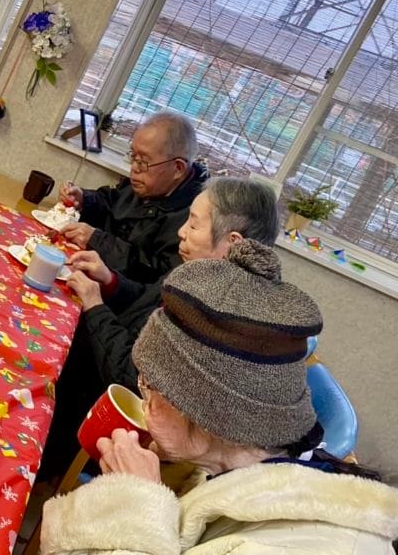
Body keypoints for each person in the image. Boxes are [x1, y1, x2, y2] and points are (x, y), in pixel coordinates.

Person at [41, 241, 398, 554]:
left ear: (205, 412)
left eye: (148, 384)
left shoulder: (303, 543)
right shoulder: (237, 473)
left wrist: (133, 506)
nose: (144, 400)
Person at [37, 177, 279, 481]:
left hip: (114, 425)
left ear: (232, 243)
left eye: (193, 225)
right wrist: (109, 280)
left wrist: (95, 305)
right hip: (106, 374)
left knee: (41, 360)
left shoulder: (214, 314)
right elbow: (146, 303)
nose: (181, 232)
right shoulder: (203, 273)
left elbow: (129, 376)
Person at [59, 111, 206, 284]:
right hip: (90, 272)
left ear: (178, 168)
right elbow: (112, 202)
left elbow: (156, 276)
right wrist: (84, 199)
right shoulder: (147, 184)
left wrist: (99, 241)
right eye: (133, 156)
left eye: (142, 161)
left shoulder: (194, 218)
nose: (134, 168)